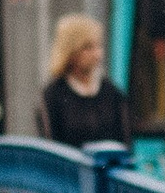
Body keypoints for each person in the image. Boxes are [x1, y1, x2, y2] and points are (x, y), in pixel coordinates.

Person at [39, 12, 129, 148]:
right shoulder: (53, 95)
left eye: (99, 46)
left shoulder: (112, 92)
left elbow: (125, 144)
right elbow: (51, 146)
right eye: (88, 47)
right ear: (70, 51)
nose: (97, 54)